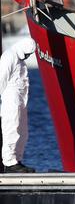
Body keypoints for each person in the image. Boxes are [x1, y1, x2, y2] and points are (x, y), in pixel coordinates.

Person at [0, 38, 36, 173]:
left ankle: (17, 159)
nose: (28, 56)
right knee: (11, 129)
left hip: (20, 100)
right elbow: (1, 78)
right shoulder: (9, 56)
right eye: (27, 54)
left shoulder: (20, 59)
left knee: (22, 131)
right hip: (11, 100)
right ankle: (9, 162)